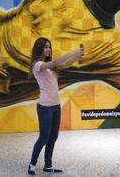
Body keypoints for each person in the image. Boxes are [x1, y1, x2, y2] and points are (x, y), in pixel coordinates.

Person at [28, 38, 83, 175]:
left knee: (53, 137)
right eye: (46, 47)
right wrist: (74, 51)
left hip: (55, 106)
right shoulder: (38, 65)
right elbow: (57, 62)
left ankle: (48, 165)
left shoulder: (50, 67)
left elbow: (65, 64)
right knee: (44, 137)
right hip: (45, 107)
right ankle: (32, 164)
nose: (49, 49)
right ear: (39, 48)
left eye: (49, 47)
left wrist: (78, 55)